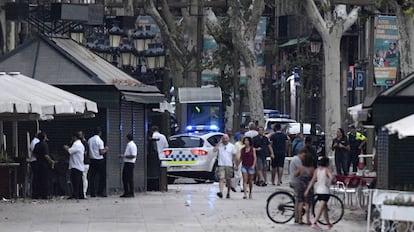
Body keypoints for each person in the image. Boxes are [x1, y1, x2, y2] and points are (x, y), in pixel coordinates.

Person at [304, 156, 334, 229]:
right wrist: (329, 183)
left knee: (324, 208)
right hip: (325, 191)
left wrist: (307, 190)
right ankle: (315, 222)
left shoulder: (317, 170)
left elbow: (312, 180)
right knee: (321, 207)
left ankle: (328, 223)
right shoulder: (327, 170)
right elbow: (332, 178)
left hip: (318, 190)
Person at [33, 132, 55, 199]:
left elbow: (34, 153)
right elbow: (46, 155)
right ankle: (44, 194)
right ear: (44, 137)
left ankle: (37, 194)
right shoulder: (44, 144)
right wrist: (51, 161)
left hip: (37, 163)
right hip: (44, 164)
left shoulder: (37, 144)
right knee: (45, 180)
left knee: (38, 179)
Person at [214, 134, 237, 199]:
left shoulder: (232, 146)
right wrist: (219, 143)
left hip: (229, 164)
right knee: (221, 178)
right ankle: (221, 192)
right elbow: (214, 150)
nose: (225, 140)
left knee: (228, 179)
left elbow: (234, 156)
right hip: (221, 164)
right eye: (224, 139)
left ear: (228, 139)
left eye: (226, 138)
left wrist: (235, 164)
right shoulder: (220, 146)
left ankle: (228, 192)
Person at [88, 127, 109, 197]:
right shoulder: (100, 141)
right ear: (100, 132)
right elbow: (101, 152)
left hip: (92, 160)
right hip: (99, 160)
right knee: (102, 176)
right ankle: (100, 192)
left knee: (92, 177)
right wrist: (105, 149)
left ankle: (92, 193)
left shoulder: (90, 140)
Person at [64, 132, 85, 199]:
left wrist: (66, 148)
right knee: (79, 181)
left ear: (75, 137)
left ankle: (75, 194)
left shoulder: (76, 144)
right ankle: (80, 194)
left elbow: (70, 151)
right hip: (79, 165)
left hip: (75, 165)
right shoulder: (80, 144)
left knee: (75, 181)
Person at [295, 153, 315, 225]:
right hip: (308, 187)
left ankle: (300, 219)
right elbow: (314, 178)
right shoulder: (312, 169)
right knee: (307, 204)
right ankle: (308, 220)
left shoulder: (300, 168)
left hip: (300, 186)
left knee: (300, 202)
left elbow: (295, 174)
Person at [119, 133, 137, 198]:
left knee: (129, 178)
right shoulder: (129, 145)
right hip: (127, 163)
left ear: (127, 138)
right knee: (125, 178)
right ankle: (126, 192)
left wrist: (124, 156)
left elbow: (133, 155)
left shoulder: (131, 145)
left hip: (130, 163)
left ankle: (130, 192)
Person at [29, 131, 41, 199]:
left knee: (37, 177)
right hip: (35, 161)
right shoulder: (35, 142)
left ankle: (37, 193)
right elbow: (35, 151)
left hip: (36, 161)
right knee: (36, 177)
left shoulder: (36, 141)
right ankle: (35, 193)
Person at [79, 131, 89, 198]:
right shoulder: (82, 143)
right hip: (82, 162)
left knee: (84, 177)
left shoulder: (84, 143)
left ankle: (84, 192)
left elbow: (85, 153)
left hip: (84, 162)